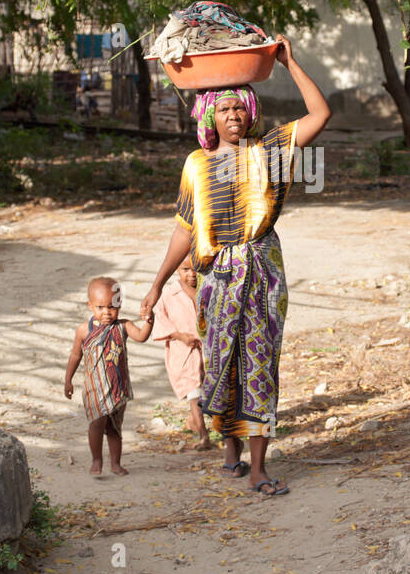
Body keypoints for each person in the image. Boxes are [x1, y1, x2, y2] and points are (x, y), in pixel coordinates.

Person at [141, 34, 331, 497]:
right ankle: (231, 450)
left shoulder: (269, 151)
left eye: (240, 109)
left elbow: (320, 115)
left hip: (262, 268)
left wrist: (289, 61)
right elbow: (185, 229)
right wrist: (155, 285)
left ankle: (259, 467)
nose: (233, 117)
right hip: (218, 278)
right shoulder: (195, 166)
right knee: (222, 362)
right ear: (209, 116)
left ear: (251, 113)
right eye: (223, 110)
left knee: (259, 362)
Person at [64, 276, 153, 477]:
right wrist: (68, 380)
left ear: (120, 304)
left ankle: (115, 463)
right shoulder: (83, 330)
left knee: (115, 428)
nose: (107, 312)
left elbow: (142, 336)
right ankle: (97, 460)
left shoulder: (123, 326)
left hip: (117, 388)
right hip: (95, 389)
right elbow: (75, 354)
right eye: (100, 307)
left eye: (112, 307)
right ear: (90, 306)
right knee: (96, 423)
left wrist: (149, 321)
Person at [150, 255, 211, 449]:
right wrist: (179, 335)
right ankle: (203, 435)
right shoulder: (169, 294)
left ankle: (200, 423)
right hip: (183, 351)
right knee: (194, 391)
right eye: (185, 270)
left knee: (211, 388)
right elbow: (159, 318)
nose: (191, 274)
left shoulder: (209, 288)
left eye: (195, 269)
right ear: (176, 269)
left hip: (209, 349)